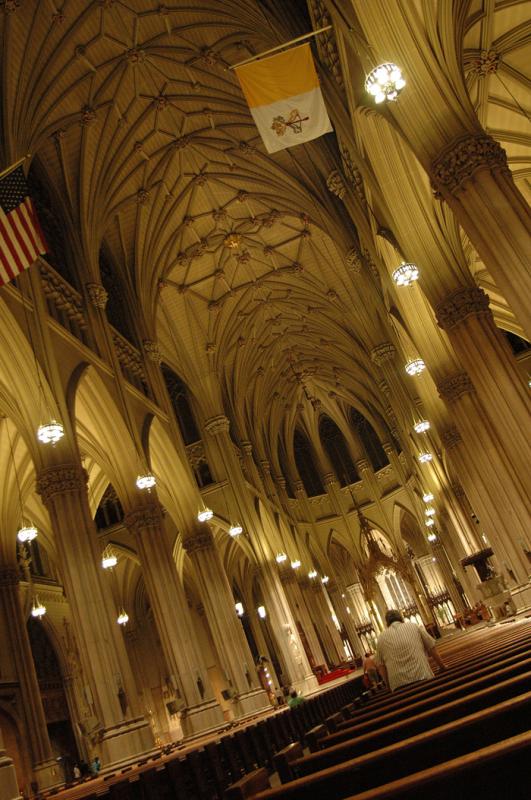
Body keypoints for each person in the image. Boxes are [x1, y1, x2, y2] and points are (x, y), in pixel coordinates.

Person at [375, 609, 446, 691]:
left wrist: (388, 686)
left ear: (387, 622)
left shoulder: (381, 638)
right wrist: (442, 666)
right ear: (401, 618)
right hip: (423, 678)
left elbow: (381, 666)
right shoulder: (414, 626)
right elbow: (431, 648)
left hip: (399, 686)